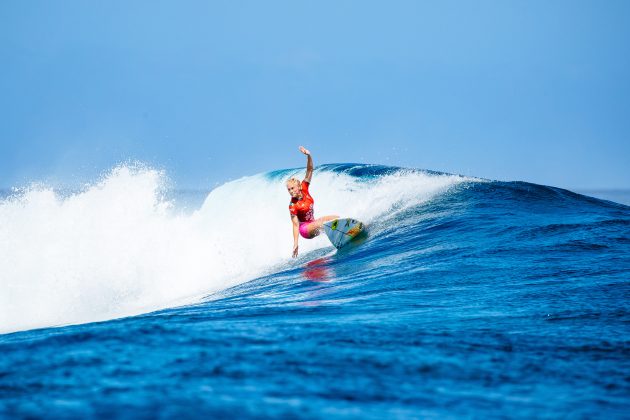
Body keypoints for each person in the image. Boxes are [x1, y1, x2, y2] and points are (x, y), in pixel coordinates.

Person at [287, 146, 339, 258]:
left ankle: (341, 234)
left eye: (292, 188)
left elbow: (310, 170)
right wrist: (296, 244)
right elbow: (295, 225)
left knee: (336, 218)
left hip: (314, 223)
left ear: (299, 186)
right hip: (305, 229)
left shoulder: (305, 188)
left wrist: (308, 155)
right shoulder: (293, 205)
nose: (291, 191)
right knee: (322, 223)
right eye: (289, 189)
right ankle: (337, 235)